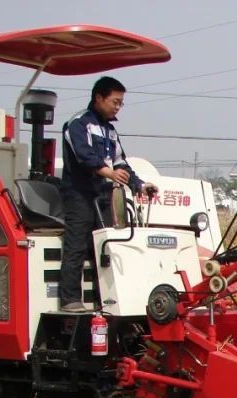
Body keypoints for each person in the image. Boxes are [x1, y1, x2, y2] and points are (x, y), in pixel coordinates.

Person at [58, 76, 157, 312]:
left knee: (105, 247)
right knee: (77, 245)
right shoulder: (78, 124)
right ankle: (70, 299)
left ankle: (107, 301)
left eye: (121, 103)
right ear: (99, 97)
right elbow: (84, 156)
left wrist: (140, 185)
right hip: (79, 194)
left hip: (102, 195)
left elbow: (122, 163)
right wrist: (110, 173)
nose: (117, 107)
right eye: (115, 101)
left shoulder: (110, 131)